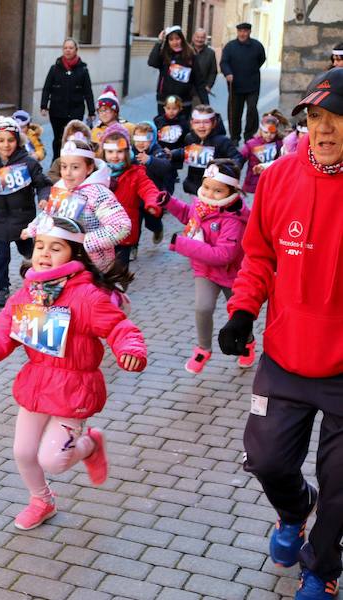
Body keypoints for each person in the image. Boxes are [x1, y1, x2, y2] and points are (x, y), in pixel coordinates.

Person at [217, 68, 343, 600]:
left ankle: (321, 568)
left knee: (342, 488)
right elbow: (260, 254)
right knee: (266, 460)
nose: (326, 129)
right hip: (285, 358)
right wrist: (243, 311)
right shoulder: (276, 178)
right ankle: (295, 508)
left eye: (338, 118)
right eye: (316, 117)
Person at [0, 213, 147, 530]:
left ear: (75, 253)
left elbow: (119, 327)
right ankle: (42, 501)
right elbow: (1, 334)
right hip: (37, 384)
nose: (44, 253)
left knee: (53, 460)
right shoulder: (28, 294)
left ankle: (90, 444)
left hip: (74, 388)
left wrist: (130, 349)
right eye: (41, 245)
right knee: (23, 452)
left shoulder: (86, 296)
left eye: (56, 248)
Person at [154, 160, 252, 373]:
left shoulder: (234, 220)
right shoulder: (203, 205)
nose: (209, 192)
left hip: (232, 274)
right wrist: (169, 202)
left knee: (237, 313)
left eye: (218, 190)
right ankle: (203, 348)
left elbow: (223, 255)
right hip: (204, 271)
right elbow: (189, 215)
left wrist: (180, 244)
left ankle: (247, 342)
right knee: (202, 308)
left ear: (232, 190)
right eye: (207, 186)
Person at [0, 117, 52, 307]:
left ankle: (41, 280)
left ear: (18, 140)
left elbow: (43, 183)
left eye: (11, 140)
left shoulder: (28, 163)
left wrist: (43, 197)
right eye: (1, 140)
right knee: (1, 255)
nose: (6, 145)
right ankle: (2, 288)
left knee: (28, 250)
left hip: (22, 216)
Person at [41, 138, 131, 272]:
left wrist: (86, 241)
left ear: (89, 168)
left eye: (75, 167)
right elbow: (49, 216)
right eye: (64, 166)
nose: (68, 173)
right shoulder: (60, 188)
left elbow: (121, 226)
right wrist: (33, 228)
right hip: (63, 261)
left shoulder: (98, 193)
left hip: (94, 266)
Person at [99, 124, 165, 266]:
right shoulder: (97, 173)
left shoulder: (136, 173)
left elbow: (148, 189)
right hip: (100, 231)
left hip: (124, 232)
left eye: (120, 152)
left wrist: (153, 202)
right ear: (104, 153)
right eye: (110, 152)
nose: (115, 156)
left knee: (119, 272)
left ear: (127, 152)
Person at [40, 38, 95, 160]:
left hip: (75, 111)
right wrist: (44, 105)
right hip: (57, 111)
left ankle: (71, 161)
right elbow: (46, 88)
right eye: (65, 48)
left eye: (71, 48)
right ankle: (56, 162)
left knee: (74, 138)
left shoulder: (83, 70)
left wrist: (91, 111)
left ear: (76, 50)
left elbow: (88, 92)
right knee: (58, 139)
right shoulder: (55, 68)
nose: (68, 50)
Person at [172, 105, 243, 196]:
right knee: (197, 209)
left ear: (214, 123)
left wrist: (227, 170)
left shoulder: (222, 141)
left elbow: (238, 158)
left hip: (215, 189)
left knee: (213, 210)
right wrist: (172, 154)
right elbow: (185, 152)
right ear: (191, 124)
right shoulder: (189, 138)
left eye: (206, 122)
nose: (201, 126)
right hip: (194, 187)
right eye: (197, 122)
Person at [220, 23, 267, 145]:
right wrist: (228, 73)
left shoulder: (257, 46)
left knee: (252, 109)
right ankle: (235, 137)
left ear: (249, 32)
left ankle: (249, 135)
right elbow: (224, 62)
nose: (242, 34)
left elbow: (262, 59)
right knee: (235, 111)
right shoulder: (230, 47)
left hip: (252, 84)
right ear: (237, 32)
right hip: (235, 85)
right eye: (240, 31)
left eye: (245, 31)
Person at [148, 26, 209, 117]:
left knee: (183, 129)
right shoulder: (164, 55)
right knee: (164, 129)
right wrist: (159, 42)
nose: (175, 42)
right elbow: (152, 62)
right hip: (165, 101)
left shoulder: (190, 56)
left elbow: (199, 81)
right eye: (171, 39)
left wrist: (206, 103)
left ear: (182, 39)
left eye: (177, 39)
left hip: (184, 101)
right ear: (168, 42)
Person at [240, 114, 283, 194]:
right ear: (260, 130)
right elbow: (240, 158)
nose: (269, 135)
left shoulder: (279, 144)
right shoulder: (251, 144)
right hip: (254, 181)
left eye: (272, 132)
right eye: (266, 132)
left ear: (276, 131)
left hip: (272, 181)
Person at [191, 28, 218, 106]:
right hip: (186, 90)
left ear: (205, 39)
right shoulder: (187, 51)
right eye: (197, 37)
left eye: (202, 37)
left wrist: (209, 86)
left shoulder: (210, 53)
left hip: (202, 90)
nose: (199, 39)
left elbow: (213, 72)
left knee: (201, 115)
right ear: (193, 37)